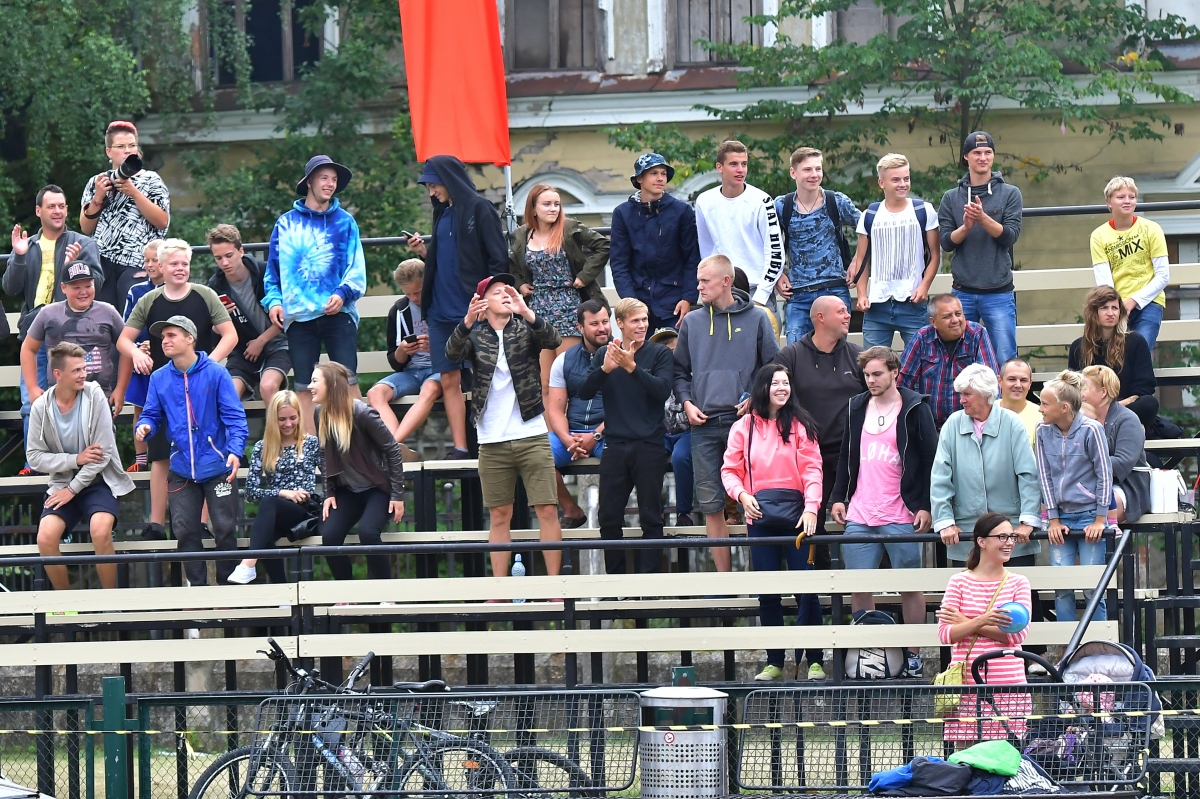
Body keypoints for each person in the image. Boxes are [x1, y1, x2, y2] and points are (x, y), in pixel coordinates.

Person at [116, 239, 237, 540]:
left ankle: (203, 524)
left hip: (203, 388)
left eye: (185, 263)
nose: (181, 268)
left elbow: (230, 335)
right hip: (166, 386)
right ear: (161, 266)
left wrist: (209, 366)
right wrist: (138, 353)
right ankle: (156, 524)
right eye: (174, 264)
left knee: (206, 450)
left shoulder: (205, 295)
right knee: (160, 454)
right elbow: (123, 340)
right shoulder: (149, 300)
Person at [445, 274, 564, 578]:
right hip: (491, 438)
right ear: (483, 302)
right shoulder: (475, 335)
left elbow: (553, 340)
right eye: (497, 291)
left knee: (547, 509)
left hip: (531, 433)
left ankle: (554, 587)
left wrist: (526, 311)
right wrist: (467, 321)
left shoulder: (525, 328)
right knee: (499, 515)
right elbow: (451, 353)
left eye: (508, 290)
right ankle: (500, 589)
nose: (505, 294)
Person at [830, 346, 938, 678]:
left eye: (877, 374)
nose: (871, 380)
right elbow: (846, 455)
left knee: (909, 585)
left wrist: (926, 505)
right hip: (861, 510)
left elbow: (931, 460)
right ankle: (870, 652)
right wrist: (838, 497)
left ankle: (914, 654)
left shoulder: (915, 406)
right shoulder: (856, 406)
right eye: (866, 375)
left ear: (894, 372)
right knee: (860, 586)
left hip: (902, 511)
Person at [674, 254, 780, 572]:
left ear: (726, 281)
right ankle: (725, 583)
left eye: (704, 281)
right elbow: (679, 372)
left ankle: (760, 579)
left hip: (747, 422)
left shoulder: (758, 318)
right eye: (698, 280)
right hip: (703, 422)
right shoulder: (692, 322)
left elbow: (774, 367)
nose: (698, 287)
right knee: (711, 504)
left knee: (755, 499)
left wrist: (757, 398)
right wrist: (687, 402)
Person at [721, 363, 824, 681]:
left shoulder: (800, 424)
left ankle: (815, 660)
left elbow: (813, 469)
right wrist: (742, 496)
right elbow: (730, 470)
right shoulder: (743, 427)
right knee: (768, 592)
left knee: (806, 590)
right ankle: (775, 660)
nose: (782, 388)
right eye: (775, 383)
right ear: (762, 387)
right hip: (759, 516)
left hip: (798, 518)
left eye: (786, 383)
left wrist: (812, 508)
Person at [408, 155, 509, 460]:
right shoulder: (441, 213)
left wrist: (492, 302)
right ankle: (461, 447)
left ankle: (492, 441)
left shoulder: (481, 208)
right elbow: (448, 260)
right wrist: (424, 252)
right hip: (440, 312)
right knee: (448, 377)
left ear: (449, 180)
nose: (431, 191)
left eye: (433, 185)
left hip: (474, 310)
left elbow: (498, 259)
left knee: (486, 375)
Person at [134, 316, 248, 587]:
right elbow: (151, 414)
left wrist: (235, 451)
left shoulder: (216, 373)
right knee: (184, 531)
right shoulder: (159, 377)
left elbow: (235, 418)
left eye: (171, 335)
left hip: (218, 466)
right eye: (163, 337)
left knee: (224, 529)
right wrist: (144, 426)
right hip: (181, 467)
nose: (165, 341)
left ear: (190, 338)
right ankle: (197, 592)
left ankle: (228, 592)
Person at [264, 155, 367, 425]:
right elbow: (272, 274)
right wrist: (274, 302)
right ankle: (309, 446)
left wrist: (342, 293)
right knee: (304, 388)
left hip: (339, 313)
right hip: (299, 317)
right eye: (324, 178)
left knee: (347, 382)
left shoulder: (346, 222)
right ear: (309, 181)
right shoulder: (285, 224)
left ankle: (361, 442)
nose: (330, 184)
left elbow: (357, 269)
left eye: (334, 179)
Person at [5, 185, 98, 476]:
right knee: (30, 403)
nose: (58, 211)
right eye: (51, 206)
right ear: (39, 211)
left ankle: (76, 462)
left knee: (74, 401)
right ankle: (34, 464)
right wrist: (19, 256)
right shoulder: (28, 245)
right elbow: (10, 287)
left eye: (62, 206)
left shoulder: (83, 243)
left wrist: (74, 267)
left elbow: (96, 285)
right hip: (34, 334)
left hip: (71, 337)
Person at [28, 343, 136, 590]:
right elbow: (34, 457)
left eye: (84, 368)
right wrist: (74, 459)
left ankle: (110, 602)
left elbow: (102, 454)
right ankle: (67, 603)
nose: (83, 374)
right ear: (58, 374)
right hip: (62, 482)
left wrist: (73, 489)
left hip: (99, 481)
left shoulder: (95, 395)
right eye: (76, 370)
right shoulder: (40, 407)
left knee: (100, 531)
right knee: (45, 537)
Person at [578, 298, 674, 574]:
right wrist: (606, 369)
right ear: (619, 323)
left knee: (651, 518)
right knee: (608, 518)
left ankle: (648, 585)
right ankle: (616, 582)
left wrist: (632, 368)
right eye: (635, 320)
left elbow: (662, 391)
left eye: (645, 319)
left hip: (649, 446)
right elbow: (583, 392)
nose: (642, 325)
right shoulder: (604, 354)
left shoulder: (659, 353)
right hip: (615, 446)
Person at [773, 295, 865, 542]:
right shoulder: (790, 356)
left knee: (864, 519)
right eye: (841, 311)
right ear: (821, 318)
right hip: (808, 455)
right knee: (811, 523)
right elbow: (774, 398)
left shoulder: (859, 356)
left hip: (852, 455)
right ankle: (816, 565)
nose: (848, 315)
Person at [935, 512, 1032, 745]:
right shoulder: (958, 581)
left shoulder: (1018, 582)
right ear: (982, 541)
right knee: (965, 756)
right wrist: (982, 621)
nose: (1009, 542)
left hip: (1008, 683)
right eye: (1002, 537)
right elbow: (946, 634)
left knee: (1007, 756)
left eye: (1011, 537)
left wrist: (965, 621)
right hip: (966, 683)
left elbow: (1017, 635)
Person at [931, 364, 1041, 566]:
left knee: (1015, 587)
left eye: (967, 394)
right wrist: (945, 522)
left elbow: (1028, 475)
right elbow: (940, 478)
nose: (961, 400)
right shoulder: (952, 425)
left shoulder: (1012, 423)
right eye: (961, 394)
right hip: (966, 536)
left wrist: (1028, 520)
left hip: (1012, 534)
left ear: (985, 395)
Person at [510, 182, 611, 398]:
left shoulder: (569, 227)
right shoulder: (521, 234)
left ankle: (569, 418)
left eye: (556, 204)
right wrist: (520, 284)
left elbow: (603, 246)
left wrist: (584, 276)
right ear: (533, 208)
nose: (553, 209)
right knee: (544, 380)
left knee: (566, 375)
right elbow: (510, 263)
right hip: (538, 308)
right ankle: (550, 421)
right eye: (547, 204)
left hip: (568, 304)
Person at [311, 363, 406, 581]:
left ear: (332, 385)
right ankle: (347, 590)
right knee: (329, 536)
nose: (309, 386)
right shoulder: (319, 413)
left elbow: (392, 450)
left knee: (368, 532)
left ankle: (382, 591)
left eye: (315, 381)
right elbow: (324, 455)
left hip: (378, 487)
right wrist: (329, 492)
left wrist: (397, 495)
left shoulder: (361, 412)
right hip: (348, 490)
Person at [938, 131, 1024, 364]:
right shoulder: (951, 198)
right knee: (958, 356)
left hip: (999, 292)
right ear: (966, 156)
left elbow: (1010, 236)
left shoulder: (1010, 193)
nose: (983, 157)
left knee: (1005, 357)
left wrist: (983, 218)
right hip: (962, 292)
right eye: (977, 152)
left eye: (988, 152)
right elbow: (946, 242)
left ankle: (1004, 391)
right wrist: (966, 226)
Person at [1036, 371, 1113, 624]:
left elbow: (1104, 474)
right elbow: (1044, 476)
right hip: (1061, 517)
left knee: (1092, 588)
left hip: (1090, 514)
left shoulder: (1092, 429)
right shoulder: (1042, 430)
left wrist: (1100, 519)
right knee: (1062, 587)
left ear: (1064, 408)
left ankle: (1098, 643)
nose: (1040, 409)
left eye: (1045, 404)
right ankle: (1066, 645)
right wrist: (1053, 519)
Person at [228, 390, 323, 585]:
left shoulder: (311, 443)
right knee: (264, 536)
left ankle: (248, 563)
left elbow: (329, 478)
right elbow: (251, 492)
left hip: (305, 511)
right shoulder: (262, 447)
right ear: (273, 419)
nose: (288, 424)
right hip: (276, 513)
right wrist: (283, 492)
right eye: (282, 419)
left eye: (293, 418)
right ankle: (282, 589)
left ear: (299, 416)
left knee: (269, 503)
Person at [79, 121, 170, 310]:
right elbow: (86, 228)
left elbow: (162, 221)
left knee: (133, 317)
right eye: (121, 146)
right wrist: (98, 197)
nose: (128, 150)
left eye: (132, 145)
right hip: (102, 263)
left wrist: (134, 193)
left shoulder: (152, 180)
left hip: (137, 262)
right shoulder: (97, 181)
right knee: (103, 318)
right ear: (109, 151)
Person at [774, 147, 861, 343]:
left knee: (836, 352)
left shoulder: (836, 201)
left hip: (834, 290)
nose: (814, 174)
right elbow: (767, 243)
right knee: (796, 351)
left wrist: (857, 262)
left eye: (818, 169)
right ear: (793, 172)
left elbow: (869, 228)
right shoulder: (781, 206)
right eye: (807, 169)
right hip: (798, 294)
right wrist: (778, 273)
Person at [854, 153, 940, 350]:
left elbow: (935, 255)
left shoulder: (924, 210)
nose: (903, 184)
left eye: (906, 179)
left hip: (913, 302)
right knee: (873, 361)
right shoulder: (870, 215)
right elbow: (862, 260)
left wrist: (924, 286)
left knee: (921, 361)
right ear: (881, 183)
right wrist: (861, 294)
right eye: (896, 180)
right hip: (877, 304)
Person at [609, 153, 701, 332]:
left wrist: (688, 298)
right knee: (638, 349)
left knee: (676, 348)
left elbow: (692, 258)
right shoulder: (622, 213)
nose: (660, 178)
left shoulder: (682, 211)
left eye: (663, 174)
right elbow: (619, 262)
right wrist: (631, 302)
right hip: (638, 300)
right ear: (639, 178)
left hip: (674, 301)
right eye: (653, 173)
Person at [694, 141, 785, 306]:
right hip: (720, 292)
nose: (740, 170)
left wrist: (761, 296)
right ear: (719, 167)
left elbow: (775, 253)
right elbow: (707, 252)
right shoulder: (704, 201)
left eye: (744, 164)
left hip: (758, 292)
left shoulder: (762, 200)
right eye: (733, 164)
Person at [545, 300, 610, 528]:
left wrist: (596, 436)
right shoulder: (564, 360)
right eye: (594, 324)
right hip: (572, 433)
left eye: (605, 322)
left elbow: (626, 407)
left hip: (608, 432)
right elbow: (555, 409)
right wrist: (567, 439)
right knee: (536, 456)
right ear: (580, 328)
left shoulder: (621, 356)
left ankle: (610, 515)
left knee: (623, 455)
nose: (602, 328)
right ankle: (571, 510)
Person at [207, 224, 290, 403]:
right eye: (218, 258)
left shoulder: (265, 272)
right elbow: (213, 334)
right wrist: (219, 320)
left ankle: (276, 423)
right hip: (242, 352)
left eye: (229, 255)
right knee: (227, 394)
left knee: (268, 387)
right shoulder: (215, 286)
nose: (224, 263)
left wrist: (261, 341)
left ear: (241, 251)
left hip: (278, 343)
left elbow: (287, 314)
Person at [21, 261, 124, 402]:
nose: (83, 292)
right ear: (63, 288)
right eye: (76, 288)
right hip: (59, 397)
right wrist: (32, 387)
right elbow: (28, 348)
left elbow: (126, 348)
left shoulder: (108, 312)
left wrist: (120, 389)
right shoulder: (48, 313)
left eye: (88, 286)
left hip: (100, 396)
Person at [367, 259, 443, 447]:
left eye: (418, 292)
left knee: (429, 388)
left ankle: (393, 445)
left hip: (439, 370)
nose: (414, 298)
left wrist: (436, 347)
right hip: (411, 372)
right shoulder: (399, 311)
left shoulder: (442, 303)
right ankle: (396, 447)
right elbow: (395, 362)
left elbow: (460, 348)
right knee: (375, 393)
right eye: (408, 294)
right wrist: (402, 350)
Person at [1091, 176, 1169, 354]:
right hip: (1116, 306)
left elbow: (1163, 276)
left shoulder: (1152, 229)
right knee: (1116, 355)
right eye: (1121, 197)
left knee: (1141, 351)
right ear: (1109, 202)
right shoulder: (1099, 235)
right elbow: (1104, 281)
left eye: (1132, 197)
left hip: (1149, 303)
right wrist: (1115, 306)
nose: (1127, 201)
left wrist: (1133, 301)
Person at [899, 294, 1000, 429]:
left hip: (969, 425)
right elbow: (903, 380)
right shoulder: (922, 337)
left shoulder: (977, 334)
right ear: (933, 322)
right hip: (930, 426)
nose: (955, 320)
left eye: (958, 314)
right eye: (947, 316)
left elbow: (989, 382)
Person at [1067, 286, 1158, 427]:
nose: (1110, 313)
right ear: (1093, 312)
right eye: (1104, 308)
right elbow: (1073, 390)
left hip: (1125, 410)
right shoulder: (1078, 347)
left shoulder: (1136, 341)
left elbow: (1143, 389)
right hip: (1089, 412)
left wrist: (1114, 407)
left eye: (1115, 308)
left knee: (1149, 404)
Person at [1081, 365, 1150, 524]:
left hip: (1126, 485)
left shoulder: (1128, 419)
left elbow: (1122, 462)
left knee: (1095, 513)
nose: (1079, 394)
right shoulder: (1079, 419)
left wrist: (1081, 466)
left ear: (1103, 392)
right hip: (1088, 484)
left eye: (1083, 388)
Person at [118, 239, 164, 472]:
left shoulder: (176, 290)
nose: (150, 264)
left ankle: (170, 454)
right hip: (142, 359)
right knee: (141, 408)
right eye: (146, 260)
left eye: (155, 260)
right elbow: (126, 327)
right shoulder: (136, 291)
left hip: (167, 357)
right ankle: (141, 459)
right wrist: (138, 347)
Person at [651, 327, 695, 526]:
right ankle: (654, 512)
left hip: (689, 431)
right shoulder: (651, 376)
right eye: (664, 349)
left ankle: (684, 513)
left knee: (681, 457)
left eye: (674, 349)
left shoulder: (692, 373)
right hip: (660, 432)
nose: (670, 354)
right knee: (649, 456)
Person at [998, 358, 1042, 447]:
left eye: (1023, 380)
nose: (1018, 385)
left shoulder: (1042, 416)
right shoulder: (987, 412)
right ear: (1000, 381)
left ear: (1030, 383)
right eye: (1012, 379)